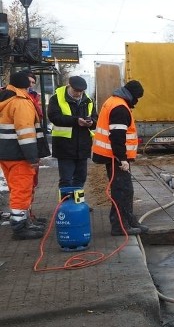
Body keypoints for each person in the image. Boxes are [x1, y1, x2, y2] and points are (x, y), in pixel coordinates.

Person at [92, 80, 149, 236]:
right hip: (114, 157)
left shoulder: (114, 101)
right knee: (122, 190)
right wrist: (122, 159)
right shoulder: (120, 108)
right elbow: (117, 137)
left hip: (112, 156)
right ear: (132, 95)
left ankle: (129, 220)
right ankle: (120, 226)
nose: (136, 101)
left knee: (125, 190)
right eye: (137, 97)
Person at [0, 70, 51, 239]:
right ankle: (20, 227)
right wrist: (32, 157)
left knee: (16, 189)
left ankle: (24, 220)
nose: (32, 85)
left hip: (6, 153)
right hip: (19, 155)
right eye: (30, 82)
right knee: (21, 190)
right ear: (24, 83)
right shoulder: (20, 102)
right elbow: (26, 133)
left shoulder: (5, 98)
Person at [47, 76, 97, 190]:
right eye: (76, 91)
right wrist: (76, 121)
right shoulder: (56, 99)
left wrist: (91, 123)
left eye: (81, 91)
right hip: (64, 147)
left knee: (80, 178)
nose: (78, 94)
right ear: (69, 86)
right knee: (66, 179)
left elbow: (95, 117)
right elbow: (54, 117)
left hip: (83, 147)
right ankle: (66, 205)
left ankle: (77, 205)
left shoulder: (88, 100)